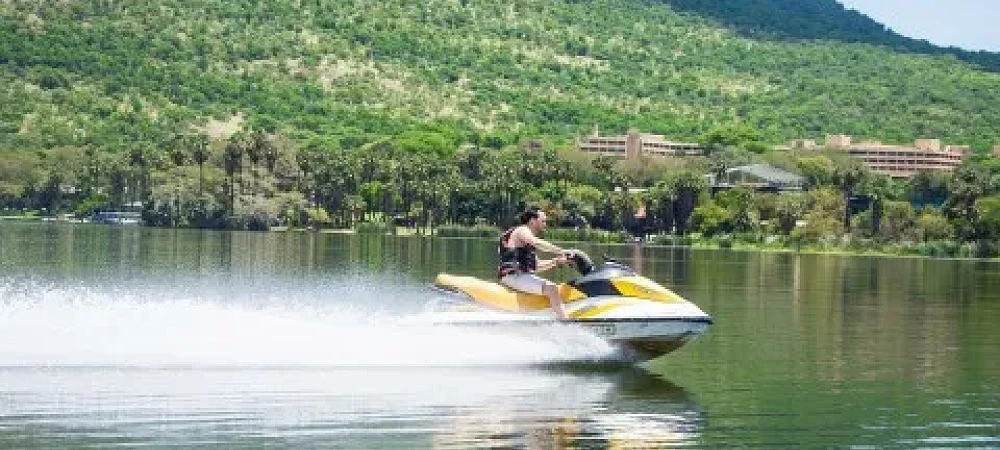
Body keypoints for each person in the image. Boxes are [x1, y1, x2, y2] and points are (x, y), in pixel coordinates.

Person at [497, 208, 570, 319]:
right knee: (552, 288)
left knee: (554, 288)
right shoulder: (523, 230)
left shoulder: (524, 240)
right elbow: (536, 242)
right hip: (513, 276)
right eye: (543, 221)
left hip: (518, 276)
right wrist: (561, 251)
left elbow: (536, 266)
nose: (545, 224)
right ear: (532, 221)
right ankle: (566, 322)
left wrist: (555, 261)